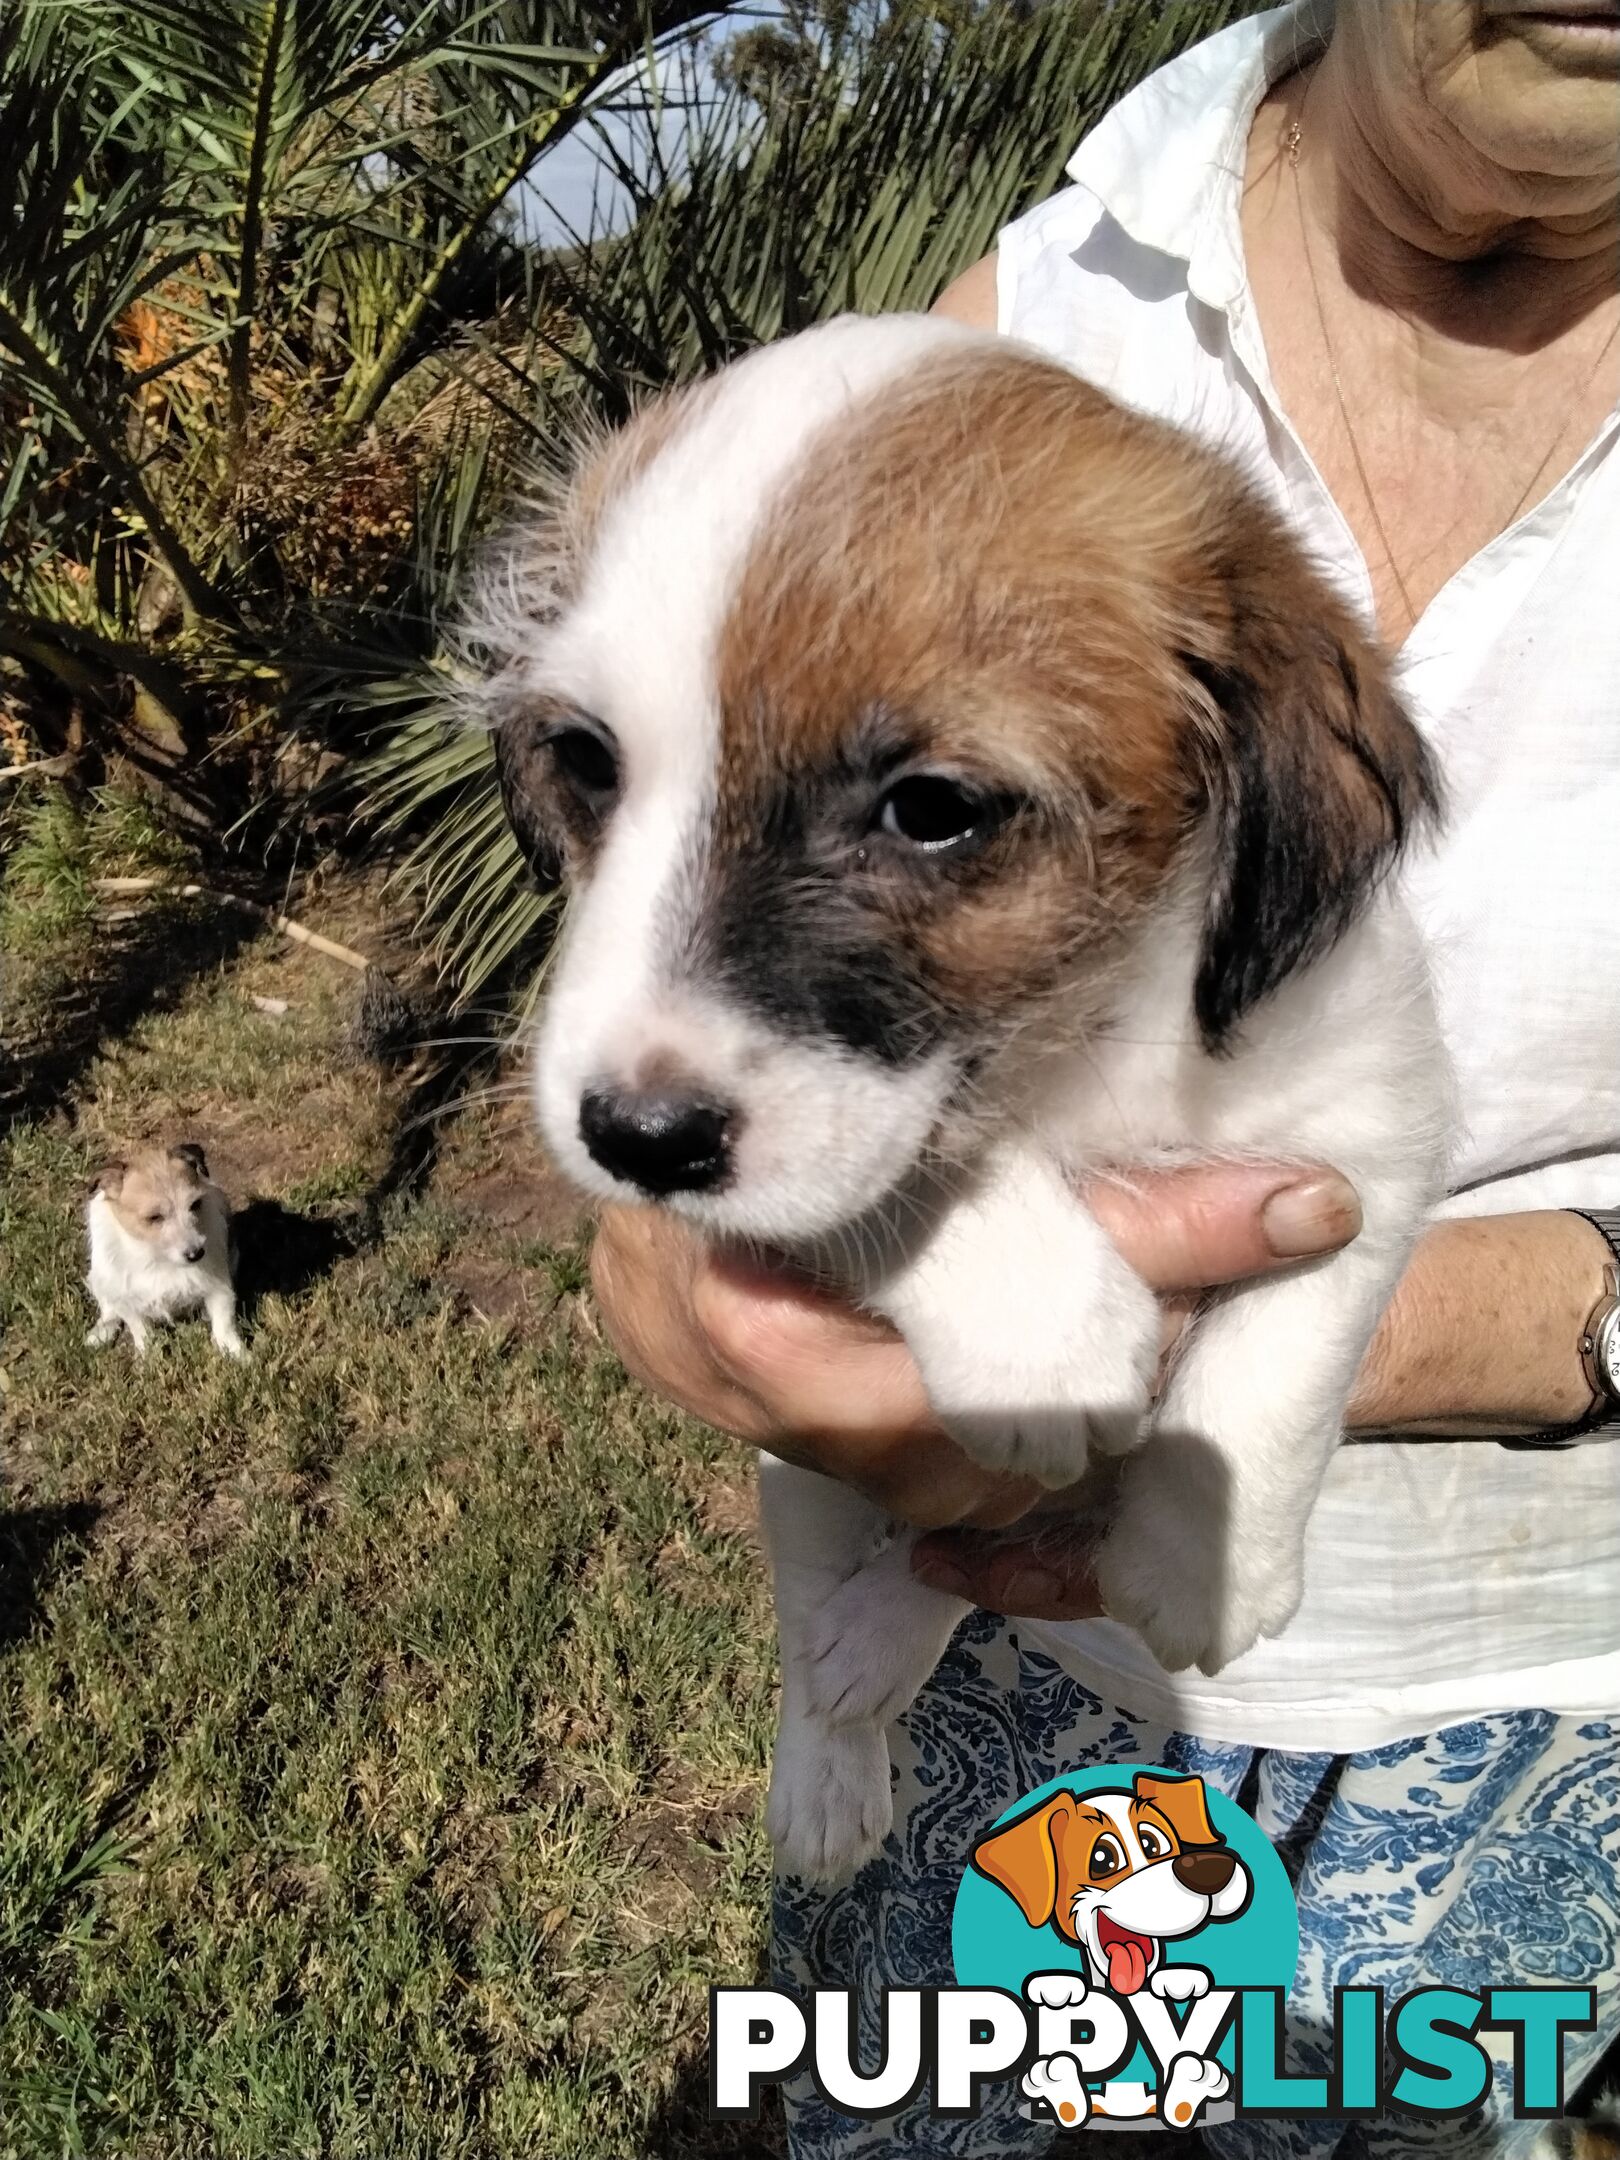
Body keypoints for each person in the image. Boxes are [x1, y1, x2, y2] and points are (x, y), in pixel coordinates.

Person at [591, 1, 1620, 2151]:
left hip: (1546, 1682)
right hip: (1005, 1662)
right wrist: (702, 1247)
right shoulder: (1028, 302)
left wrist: (1496, 1326)